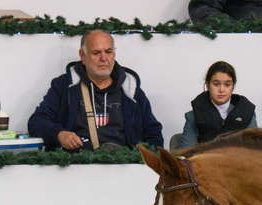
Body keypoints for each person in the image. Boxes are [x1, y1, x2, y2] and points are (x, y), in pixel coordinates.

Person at [28, 30, 163, 151]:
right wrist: (59, 134)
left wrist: (146, 161)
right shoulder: (64, 86)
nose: (103, 58)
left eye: (108, 52)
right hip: (76, 164)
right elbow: (36, 122)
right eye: (96, 53)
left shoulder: (130, 88)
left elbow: (153, 132)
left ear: (114, 54)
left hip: (124, 165)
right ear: (82, 55)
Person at [175, 61, 257, 149]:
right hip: (204, 158)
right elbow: (187, 153)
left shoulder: (246, 112)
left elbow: (254, 151)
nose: (221, 89)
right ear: (207, 85)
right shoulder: (193, 116)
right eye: (216, 84)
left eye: (227, 85)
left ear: (233, 87)